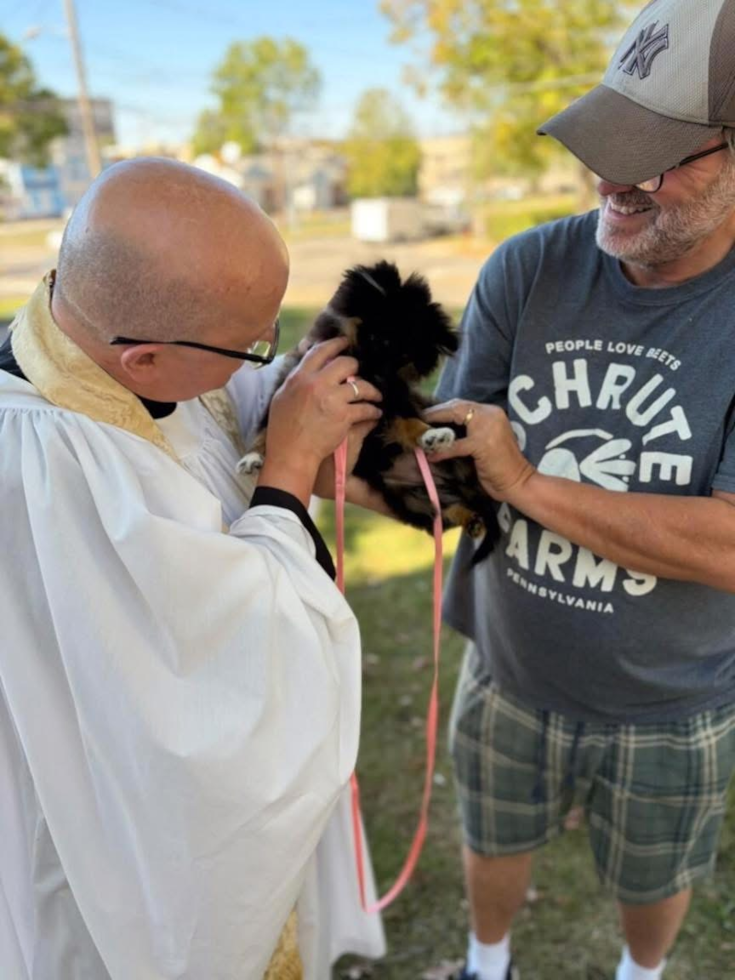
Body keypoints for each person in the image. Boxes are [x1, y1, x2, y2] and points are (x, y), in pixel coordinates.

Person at [0, 158, 386, 979]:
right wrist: (287, 465)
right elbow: (216, 667)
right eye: (251, 342)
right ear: (143, 359)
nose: (258, 360)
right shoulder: (46, 463)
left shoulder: (110, 352)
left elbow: (219, 413)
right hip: (108, 844)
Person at [421, 1, 735, 978]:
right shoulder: (529, 265)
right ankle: (487, 960)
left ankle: (639, 974)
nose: (612, 177)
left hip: (672, 700)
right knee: (492, 829)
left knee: (654, 875)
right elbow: (448, 458)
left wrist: (523, 478)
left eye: (658, 155)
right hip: (510, 665)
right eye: (606, 141)